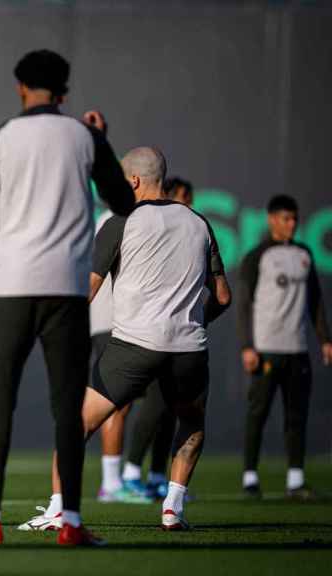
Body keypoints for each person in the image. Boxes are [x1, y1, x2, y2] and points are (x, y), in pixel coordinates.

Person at [0, 49, 135, 547]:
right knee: (66, 409)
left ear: (19, 87)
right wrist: (101, 141)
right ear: (65, 90)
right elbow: (123, 203)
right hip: (67, 294)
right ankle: (70, 522)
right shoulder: (85, 136)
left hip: (10, 288)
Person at [28, 147, 232, 534]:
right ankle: (173, 508)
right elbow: (223, 296)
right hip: (188, 348)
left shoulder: (121, 220)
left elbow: (86, 290)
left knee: (74, 425)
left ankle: (58, 508)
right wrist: (193, 319)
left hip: (133, 347)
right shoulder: (199, 222)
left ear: (133, 181)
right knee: (191, 424)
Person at [238, 194, 331, 499]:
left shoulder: (304, 254)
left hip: (298, 348)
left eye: (294, 218)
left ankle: (295, 480)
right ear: (272, 219)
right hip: (266, 348)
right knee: (258, 413)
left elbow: (315, 302)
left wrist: (325, 340)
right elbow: (244, 305)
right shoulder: (257, 256)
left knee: (296, 415)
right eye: (286, 218)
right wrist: (247, 346)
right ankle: (250, 476)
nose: (292, 224)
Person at [120, 177, 193, 500]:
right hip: (145, 331)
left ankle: (157, 476)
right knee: (153, 403)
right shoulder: (138, 224)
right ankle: (128, 473)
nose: (187, 205)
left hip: (177, 333)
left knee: (170, 408)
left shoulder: (192, 231)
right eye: (182, 198)